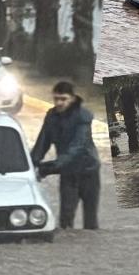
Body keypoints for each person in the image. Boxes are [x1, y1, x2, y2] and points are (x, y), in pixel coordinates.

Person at [32, 81, 101, 230]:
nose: (59, 103)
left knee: (90, 223)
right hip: (68, 173)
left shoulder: (83, 117)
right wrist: (31, 164)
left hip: (88, 172)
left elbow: (75, 148)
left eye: (63, 99)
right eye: (56, 99)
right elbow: (42, 142)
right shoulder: (51, 116)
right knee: (65, 221)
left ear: (72, 99)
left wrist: (46, 169)